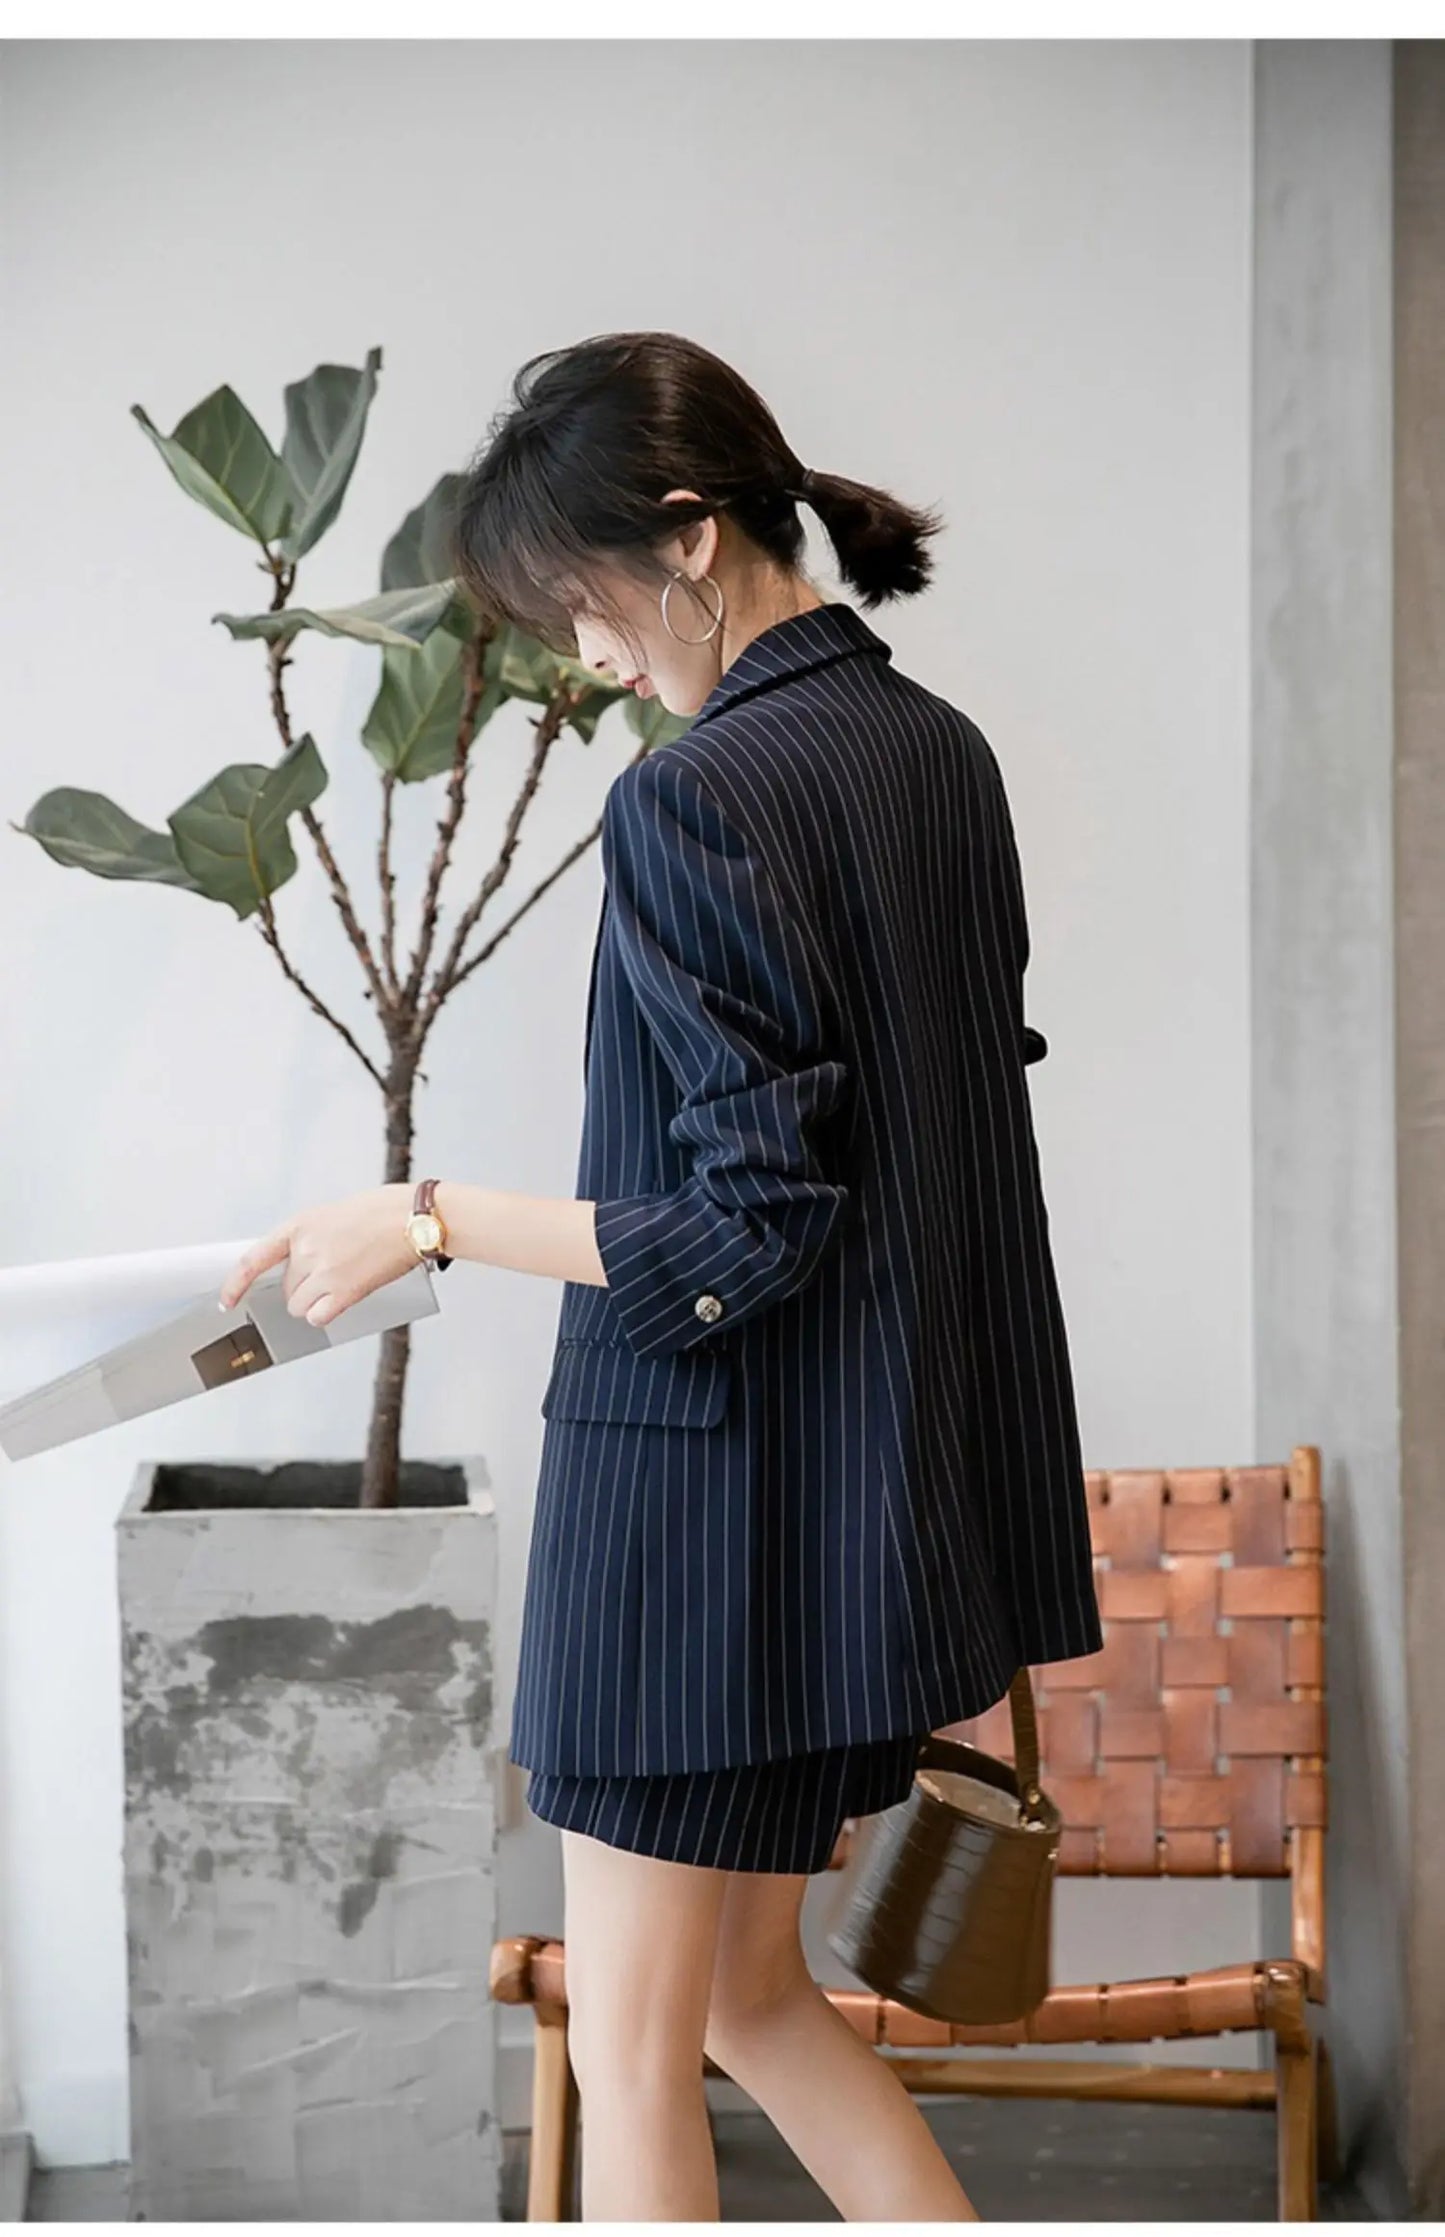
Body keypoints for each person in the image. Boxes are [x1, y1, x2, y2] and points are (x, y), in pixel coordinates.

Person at [220, 329, 1104, 2221]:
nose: (588, 662)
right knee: (754, 2002)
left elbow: (745, 1220)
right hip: (872, 1536)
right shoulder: (935, 753)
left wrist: (431, 1211)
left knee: (633, 2047)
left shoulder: (700, 795)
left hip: (697, 1542)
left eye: (583, 610)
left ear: (688, 536)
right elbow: (920, 1181)